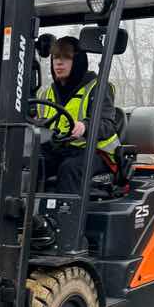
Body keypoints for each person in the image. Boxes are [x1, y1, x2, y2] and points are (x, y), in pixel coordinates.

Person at [36, 35, 120, 192]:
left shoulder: (98, 88)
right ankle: (25, 212)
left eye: (66, 58)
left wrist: (84, 127)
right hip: (61, 149)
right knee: (31, 162)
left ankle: (64, 216)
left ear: (78, 62)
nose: (58, 63)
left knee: (69, 169)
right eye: (55, 58)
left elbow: (108, 125)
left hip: (97, 153)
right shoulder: (46, 94)